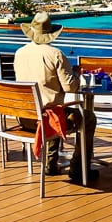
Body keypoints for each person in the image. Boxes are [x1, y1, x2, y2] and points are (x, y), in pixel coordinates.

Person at [13, 12, 98, 184]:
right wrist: (74, 74)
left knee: (53, 108)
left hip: (25, 116)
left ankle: (50, 164)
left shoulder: (19, 53)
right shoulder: (56, 54)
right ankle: (79, 168)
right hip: (46, 119)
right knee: (87, 117)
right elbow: (70, 87)